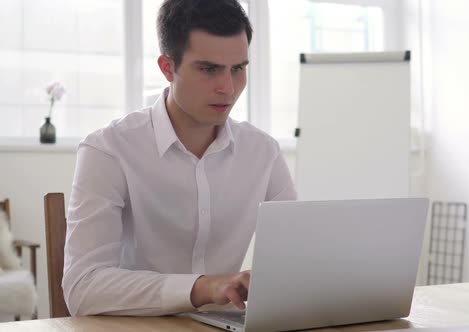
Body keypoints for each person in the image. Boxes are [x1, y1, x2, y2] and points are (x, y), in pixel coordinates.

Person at [63, 0, 296, 316]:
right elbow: (83, 289)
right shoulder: (109, 149)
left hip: (223, 324)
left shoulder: (263, 152)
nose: (228, 88)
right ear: (167, 67)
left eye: (238, 69)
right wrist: (203, 287)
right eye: (209, 69)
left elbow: (299, 263)